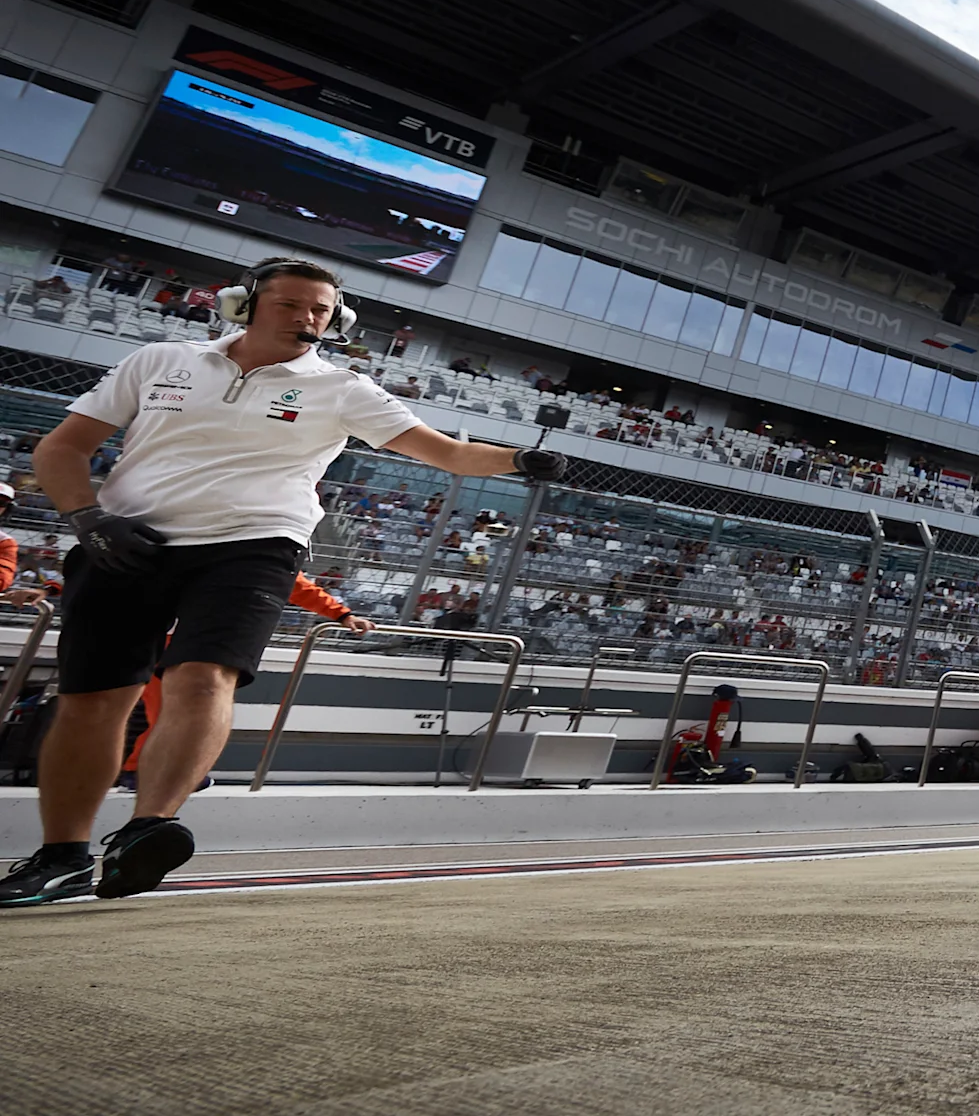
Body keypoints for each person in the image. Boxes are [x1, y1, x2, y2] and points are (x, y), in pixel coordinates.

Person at [0, 259, 561, 908]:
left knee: (204, 675)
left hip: (252, 545)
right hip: (125, 540)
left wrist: (519, 459)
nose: (307, 318)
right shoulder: (159, 359)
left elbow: (447, 453)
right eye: (292, 304)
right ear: (244, 305)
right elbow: (61, 448)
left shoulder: (343, 387)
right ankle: (61, 855)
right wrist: (89, 519)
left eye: (320, 310)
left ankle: (147, 828)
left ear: (337, 320)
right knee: (93, 699)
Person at [119, 572, 368, 786]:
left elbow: (293, 581)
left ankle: (153, 772)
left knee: (186, 711)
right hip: (162, 634)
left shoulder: (265, 543)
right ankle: (142, 772)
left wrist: (342, 615)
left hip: (206, 639)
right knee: (164, 711)